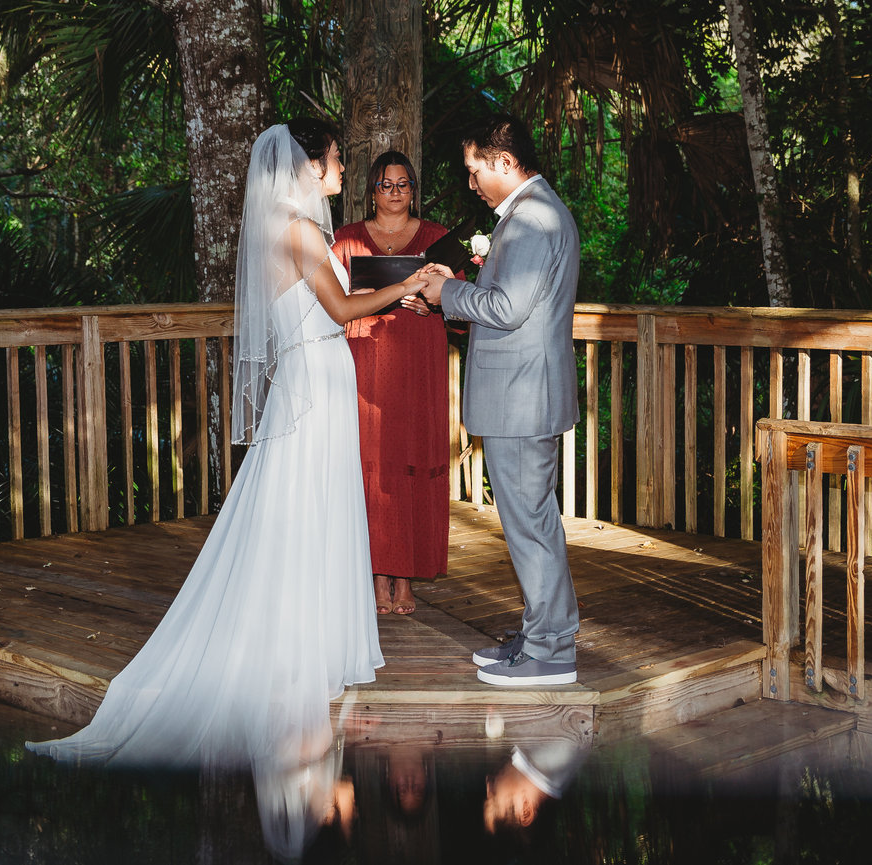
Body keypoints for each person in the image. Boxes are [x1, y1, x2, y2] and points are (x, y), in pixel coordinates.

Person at [28, 119, 425, 856]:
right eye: (338, 161)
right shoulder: (301, 230)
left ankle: (310, 653)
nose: (344, 170)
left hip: (320, 381)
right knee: (303, 517)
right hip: (314, 381)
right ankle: (293, 659)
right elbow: (338, 313)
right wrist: (407, 287)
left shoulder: (292, 224)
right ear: (310, 165)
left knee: (312, 514)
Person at [419, 113, 581, 687]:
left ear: (503, 162)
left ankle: (552, 652)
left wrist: (447, 293)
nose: (471, 183)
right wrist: (457, 287)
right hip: (522, 393)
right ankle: (542, 632)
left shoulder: (533, 219)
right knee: (533, 522)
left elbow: (508, 310)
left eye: (474, 170)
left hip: (522, 397)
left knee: (530, 526)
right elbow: (513, 301)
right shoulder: (532, 214)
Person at [331, 151, 452, 616]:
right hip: (364, 362)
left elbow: (462, 300)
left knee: (411, 457)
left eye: (404, 184)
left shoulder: (437, 239)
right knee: (371, 463)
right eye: (386, 185)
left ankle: (405, 577)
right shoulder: (346, 241)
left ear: (413, 190)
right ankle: (376, 575)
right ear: (372, 192)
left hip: (419, 362)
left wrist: (436, 305)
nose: (396, 193)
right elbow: (326, 302)